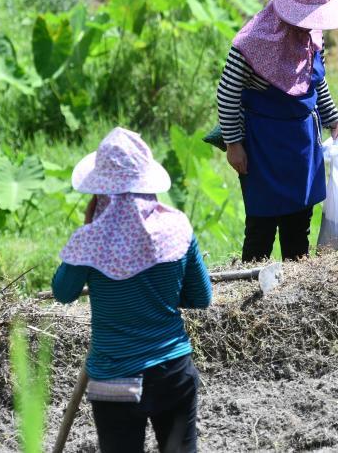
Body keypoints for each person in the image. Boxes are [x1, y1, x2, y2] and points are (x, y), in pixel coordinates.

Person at [52, 127, 212, 453]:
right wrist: (161, 294)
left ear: (99, 192)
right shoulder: (177, 228)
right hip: (173, 373)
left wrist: (87, 231)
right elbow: (201, 296)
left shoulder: (91, 241)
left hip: (114, 381)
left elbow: (63, 292)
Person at [216, 0, 338, 262]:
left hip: (302, 142)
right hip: (263, 144)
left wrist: (335, 119)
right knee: (261, 225)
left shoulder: (313, 39)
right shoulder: (251, 44)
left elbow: (316, 83)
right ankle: (252, 285)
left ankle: (295, 289)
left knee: (298, 223)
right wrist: (234, 144)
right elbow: (226, 94)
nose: (308, 25)